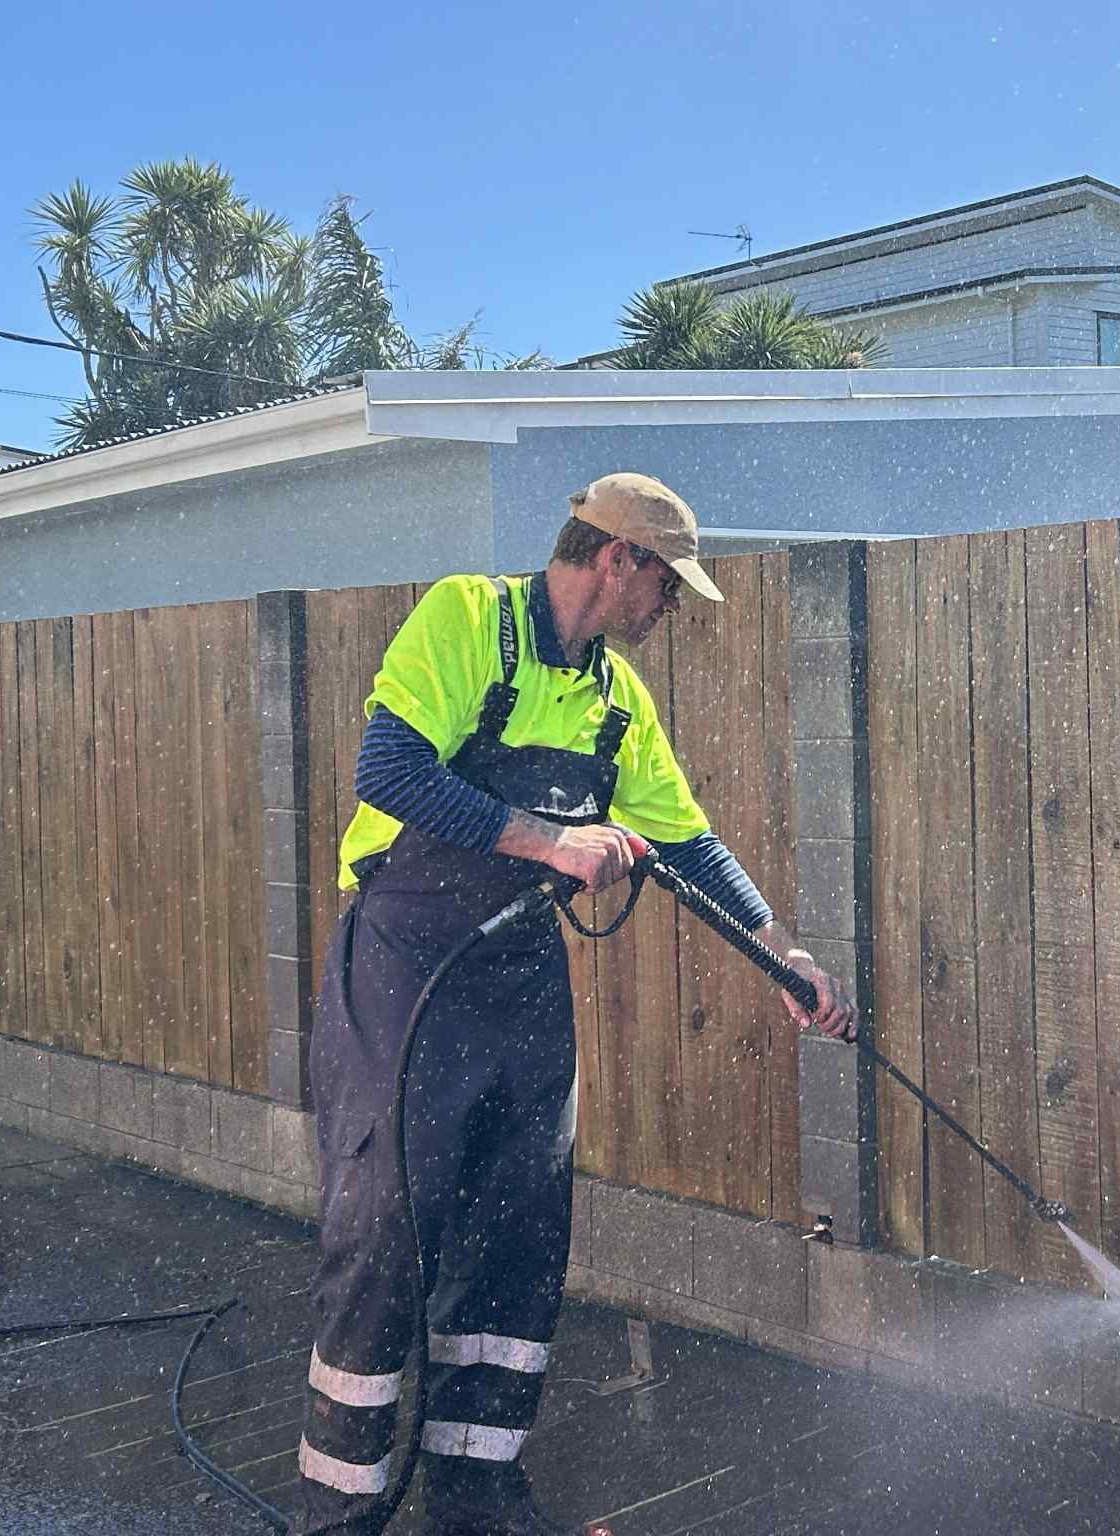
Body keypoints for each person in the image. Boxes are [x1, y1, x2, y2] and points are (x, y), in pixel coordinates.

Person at [294, 473, 856, 1536]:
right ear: (617, 560)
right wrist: (550, 841)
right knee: (384, 1241)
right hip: (406, 968)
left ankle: (476, 1495)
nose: (671, 609)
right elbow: (392, 769)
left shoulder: (611, 697)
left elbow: (686, 841)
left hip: (518, 987)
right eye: (667, 585)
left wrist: (783, 952)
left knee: (517, 1237)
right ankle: (341, 1511)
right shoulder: (470, 618)